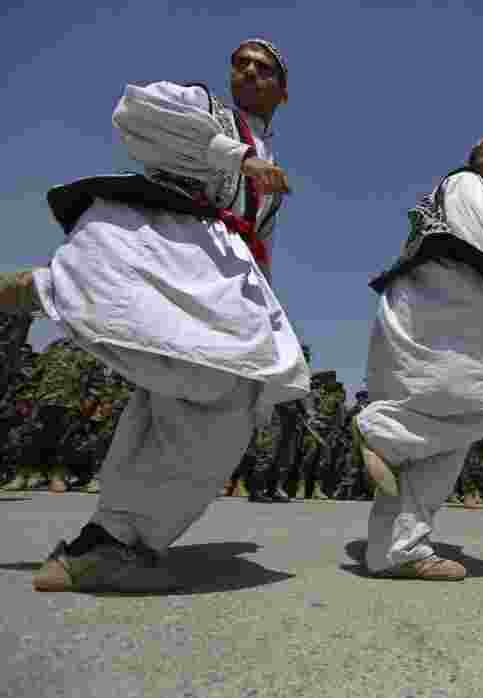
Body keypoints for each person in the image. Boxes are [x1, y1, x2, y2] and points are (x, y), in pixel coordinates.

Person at [0, 39, 310, 593]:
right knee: (223, 386)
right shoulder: (204, 107)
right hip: (168, 240)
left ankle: (112, 537)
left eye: (264, 69)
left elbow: (252, 244)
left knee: (178, 398)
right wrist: (236, 156)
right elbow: (138, 114)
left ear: (282, 91)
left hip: (210, 275)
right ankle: (113, 543)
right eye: (241, 62)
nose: (248, 71)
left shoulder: (270, 163)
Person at [356, 137, 483, 580]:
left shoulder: (466, 196)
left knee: (444, 438)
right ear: (473, 163)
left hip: (434, 304)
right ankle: (380, 429)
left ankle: (397, 551)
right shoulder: (465, 184)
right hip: (444, 300)